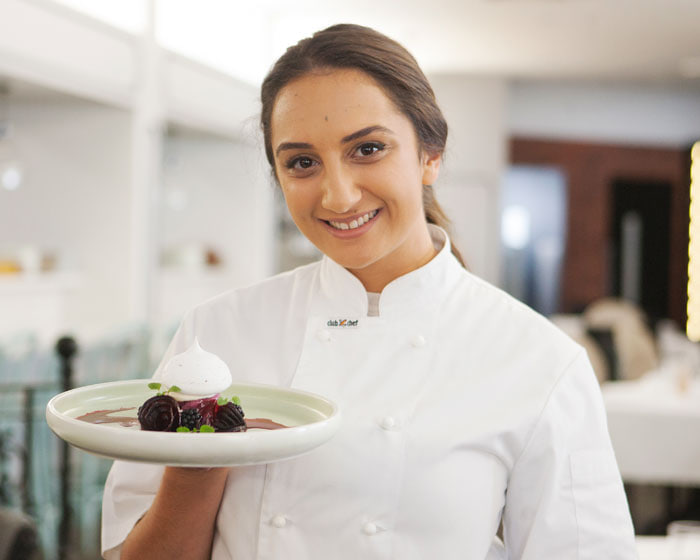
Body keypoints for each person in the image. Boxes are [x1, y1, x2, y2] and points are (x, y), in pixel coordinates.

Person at [102, 24, 638, 560]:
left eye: (368, 149)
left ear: (431, 154)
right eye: (302, 162)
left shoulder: (539, 363)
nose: (338, 195)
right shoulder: (216, 334)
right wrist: (202, 458)